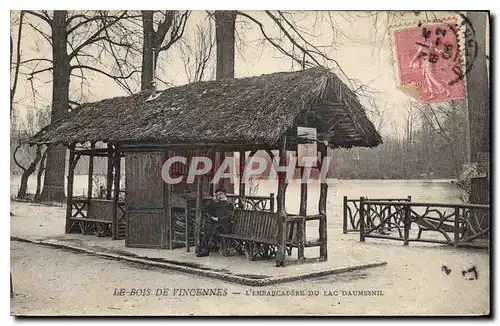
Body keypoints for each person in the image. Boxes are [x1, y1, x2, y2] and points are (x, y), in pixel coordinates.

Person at [196, 188, 234, 257]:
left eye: (221, 194)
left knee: (211, 228)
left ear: (225, 194)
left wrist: (218, 219)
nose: (219, 196)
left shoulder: (229, 204)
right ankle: (204, 248)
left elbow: (229, 217)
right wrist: (212, 200)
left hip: (226, 226)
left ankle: (205, 249)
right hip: (217, 225)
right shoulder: (216, 204)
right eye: (217, 195)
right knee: (208, 228)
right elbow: (205, 209)